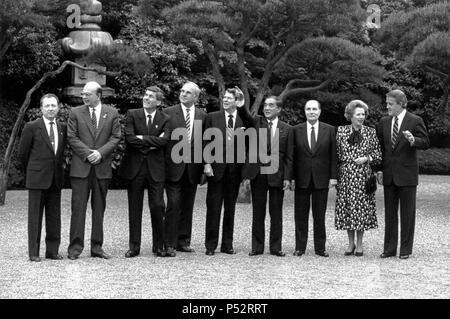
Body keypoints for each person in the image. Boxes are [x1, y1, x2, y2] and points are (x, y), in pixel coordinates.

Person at [67, 81, 121, 260]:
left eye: (87, 94)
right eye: (83, 94)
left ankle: (97, 247)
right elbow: (71, 137)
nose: (84, 97)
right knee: (78, 209)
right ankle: (75, 248)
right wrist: (88, 154)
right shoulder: (75, 113)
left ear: (98, 95)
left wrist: (100, 153)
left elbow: (115, 137)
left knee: (99, 209)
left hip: (102, 168)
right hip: (81, 168)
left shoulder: (112, 113)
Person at [376, 89, 429, 259]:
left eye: (390, 104)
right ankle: (389, 249)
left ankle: (405, 250)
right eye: (387, 103)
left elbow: (426, 142)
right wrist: (378, 169)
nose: (387, 106)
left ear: (401, 104)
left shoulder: (415, 120)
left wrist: (414, 140)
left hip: (407, 176)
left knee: (407, 215)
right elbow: (380, 149)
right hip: (389, 175)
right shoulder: (384, 122)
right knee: (390, 214)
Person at [119, 86, 170, 257]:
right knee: (135, 207)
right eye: (145, 95)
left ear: (159, 102)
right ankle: (134, 246)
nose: (146, 98)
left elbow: (164, 141)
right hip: (135, 168)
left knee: (157, 206)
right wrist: (152, 142)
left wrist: (143, 138)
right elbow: (130, 138)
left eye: (151, 96)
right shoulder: (132, 114)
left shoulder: (165, 118)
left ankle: (159, 245)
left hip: (156, 169)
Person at [240, 96, 293, 257]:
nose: (267, 108)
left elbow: (289, 156)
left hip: (277, 174)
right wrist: (241, 104)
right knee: (258, 212)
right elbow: (246, 117)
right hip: (258, 174)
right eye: (265, 105)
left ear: (279, 109)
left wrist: (287, 178)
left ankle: (276, 247)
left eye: (271, 105)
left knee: (276, 213)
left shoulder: (287, 129)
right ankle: (257, 246)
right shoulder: (256, 123)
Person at [18, 94, 67, 262]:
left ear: (58, 108)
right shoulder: (31, 127)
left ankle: (52, 251)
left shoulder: (62, 127)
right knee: (35, 217)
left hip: (56, 179)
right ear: (41, 109)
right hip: (37, 179)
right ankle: (34, 252)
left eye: (53, 105)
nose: (51, 109)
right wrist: (33, 171)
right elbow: (22, 154)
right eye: (47, 106)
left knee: (54, 217)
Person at [163, 81, 207, 256]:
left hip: (193, 168)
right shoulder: (167, 113)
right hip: (172, 167)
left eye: (188, 92)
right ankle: (169, 243)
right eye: (182, 91)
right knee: (173, 204)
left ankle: (183, 241)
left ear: (195, 96)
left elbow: (204, 142)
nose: (183, 94)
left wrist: (205, 165)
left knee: (187, 205)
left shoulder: (203, 116)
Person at [335, 100, 382, 257]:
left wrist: (366, 158)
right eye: (358, 114)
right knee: (348, 209)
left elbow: (378, 155)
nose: (361, 117)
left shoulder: (370, 132)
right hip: (346, 175)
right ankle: (350, 243)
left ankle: (360, 244)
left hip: (363, 175)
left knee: (361, 210)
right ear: (350, 116)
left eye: (363, 114)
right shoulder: (341, 131)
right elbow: (335, 154)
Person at [291, 100, 337, 257]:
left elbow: (333, 156)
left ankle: (320, 248)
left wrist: (333, 177)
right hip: (301, 179)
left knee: (319, 216)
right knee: (300, 216)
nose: (311, 111)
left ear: (319, 111)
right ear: (304, 111)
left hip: (321, 179)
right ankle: (300, 247)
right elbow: (292, 156)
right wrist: (290, 178)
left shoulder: (330, 130)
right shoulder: (296, 130)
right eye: (308, 109)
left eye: (314, 109)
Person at [203, 87, 245, 255]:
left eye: (229, 98)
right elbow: (205, 142)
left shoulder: (244, 120)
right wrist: (206, 163)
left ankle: (227, 244)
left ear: (237, 101)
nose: (225, 100)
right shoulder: (212, 117)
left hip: (234, 172)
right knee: (213, 208)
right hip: (216, 170)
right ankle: (210, 246)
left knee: (230, 209)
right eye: (224, 98)